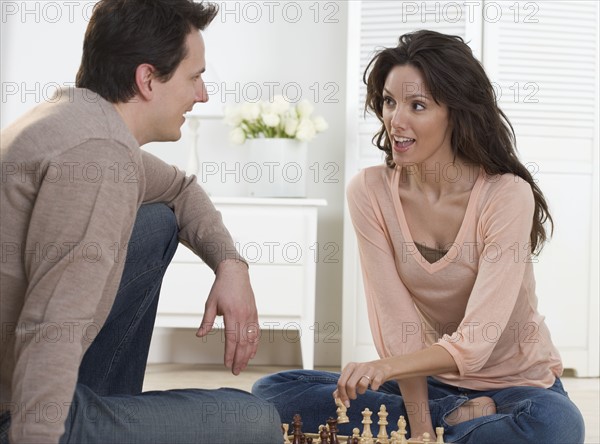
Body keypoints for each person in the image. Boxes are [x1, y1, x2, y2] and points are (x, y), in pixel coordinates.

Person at [252, 30, 585, 443]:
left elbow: (477, 342)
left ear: (456, 113)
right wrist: (423, 427)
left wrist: (386, 371)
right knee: (274, 393)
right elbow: (397, 325)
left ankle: (470, 416)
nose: (396, 119)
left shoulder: (504, 194)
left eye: (418, 105)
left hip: (517, 387)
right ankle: (460, 418)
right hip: (427, 381)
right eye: (389, 102)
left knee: (557, 425)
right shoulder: (369, 191)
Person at [0, 1, 282, 442]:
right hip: (20, 409)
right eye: (195, 76)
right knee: (255, 421)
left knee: (155, 222)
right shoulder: (98, 158)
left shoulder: (77, 120)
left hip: (24, 381)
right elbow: (50, 329)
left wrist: (231, 264)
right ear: (147, 79)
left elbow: (182, 189)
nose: (202, 94)